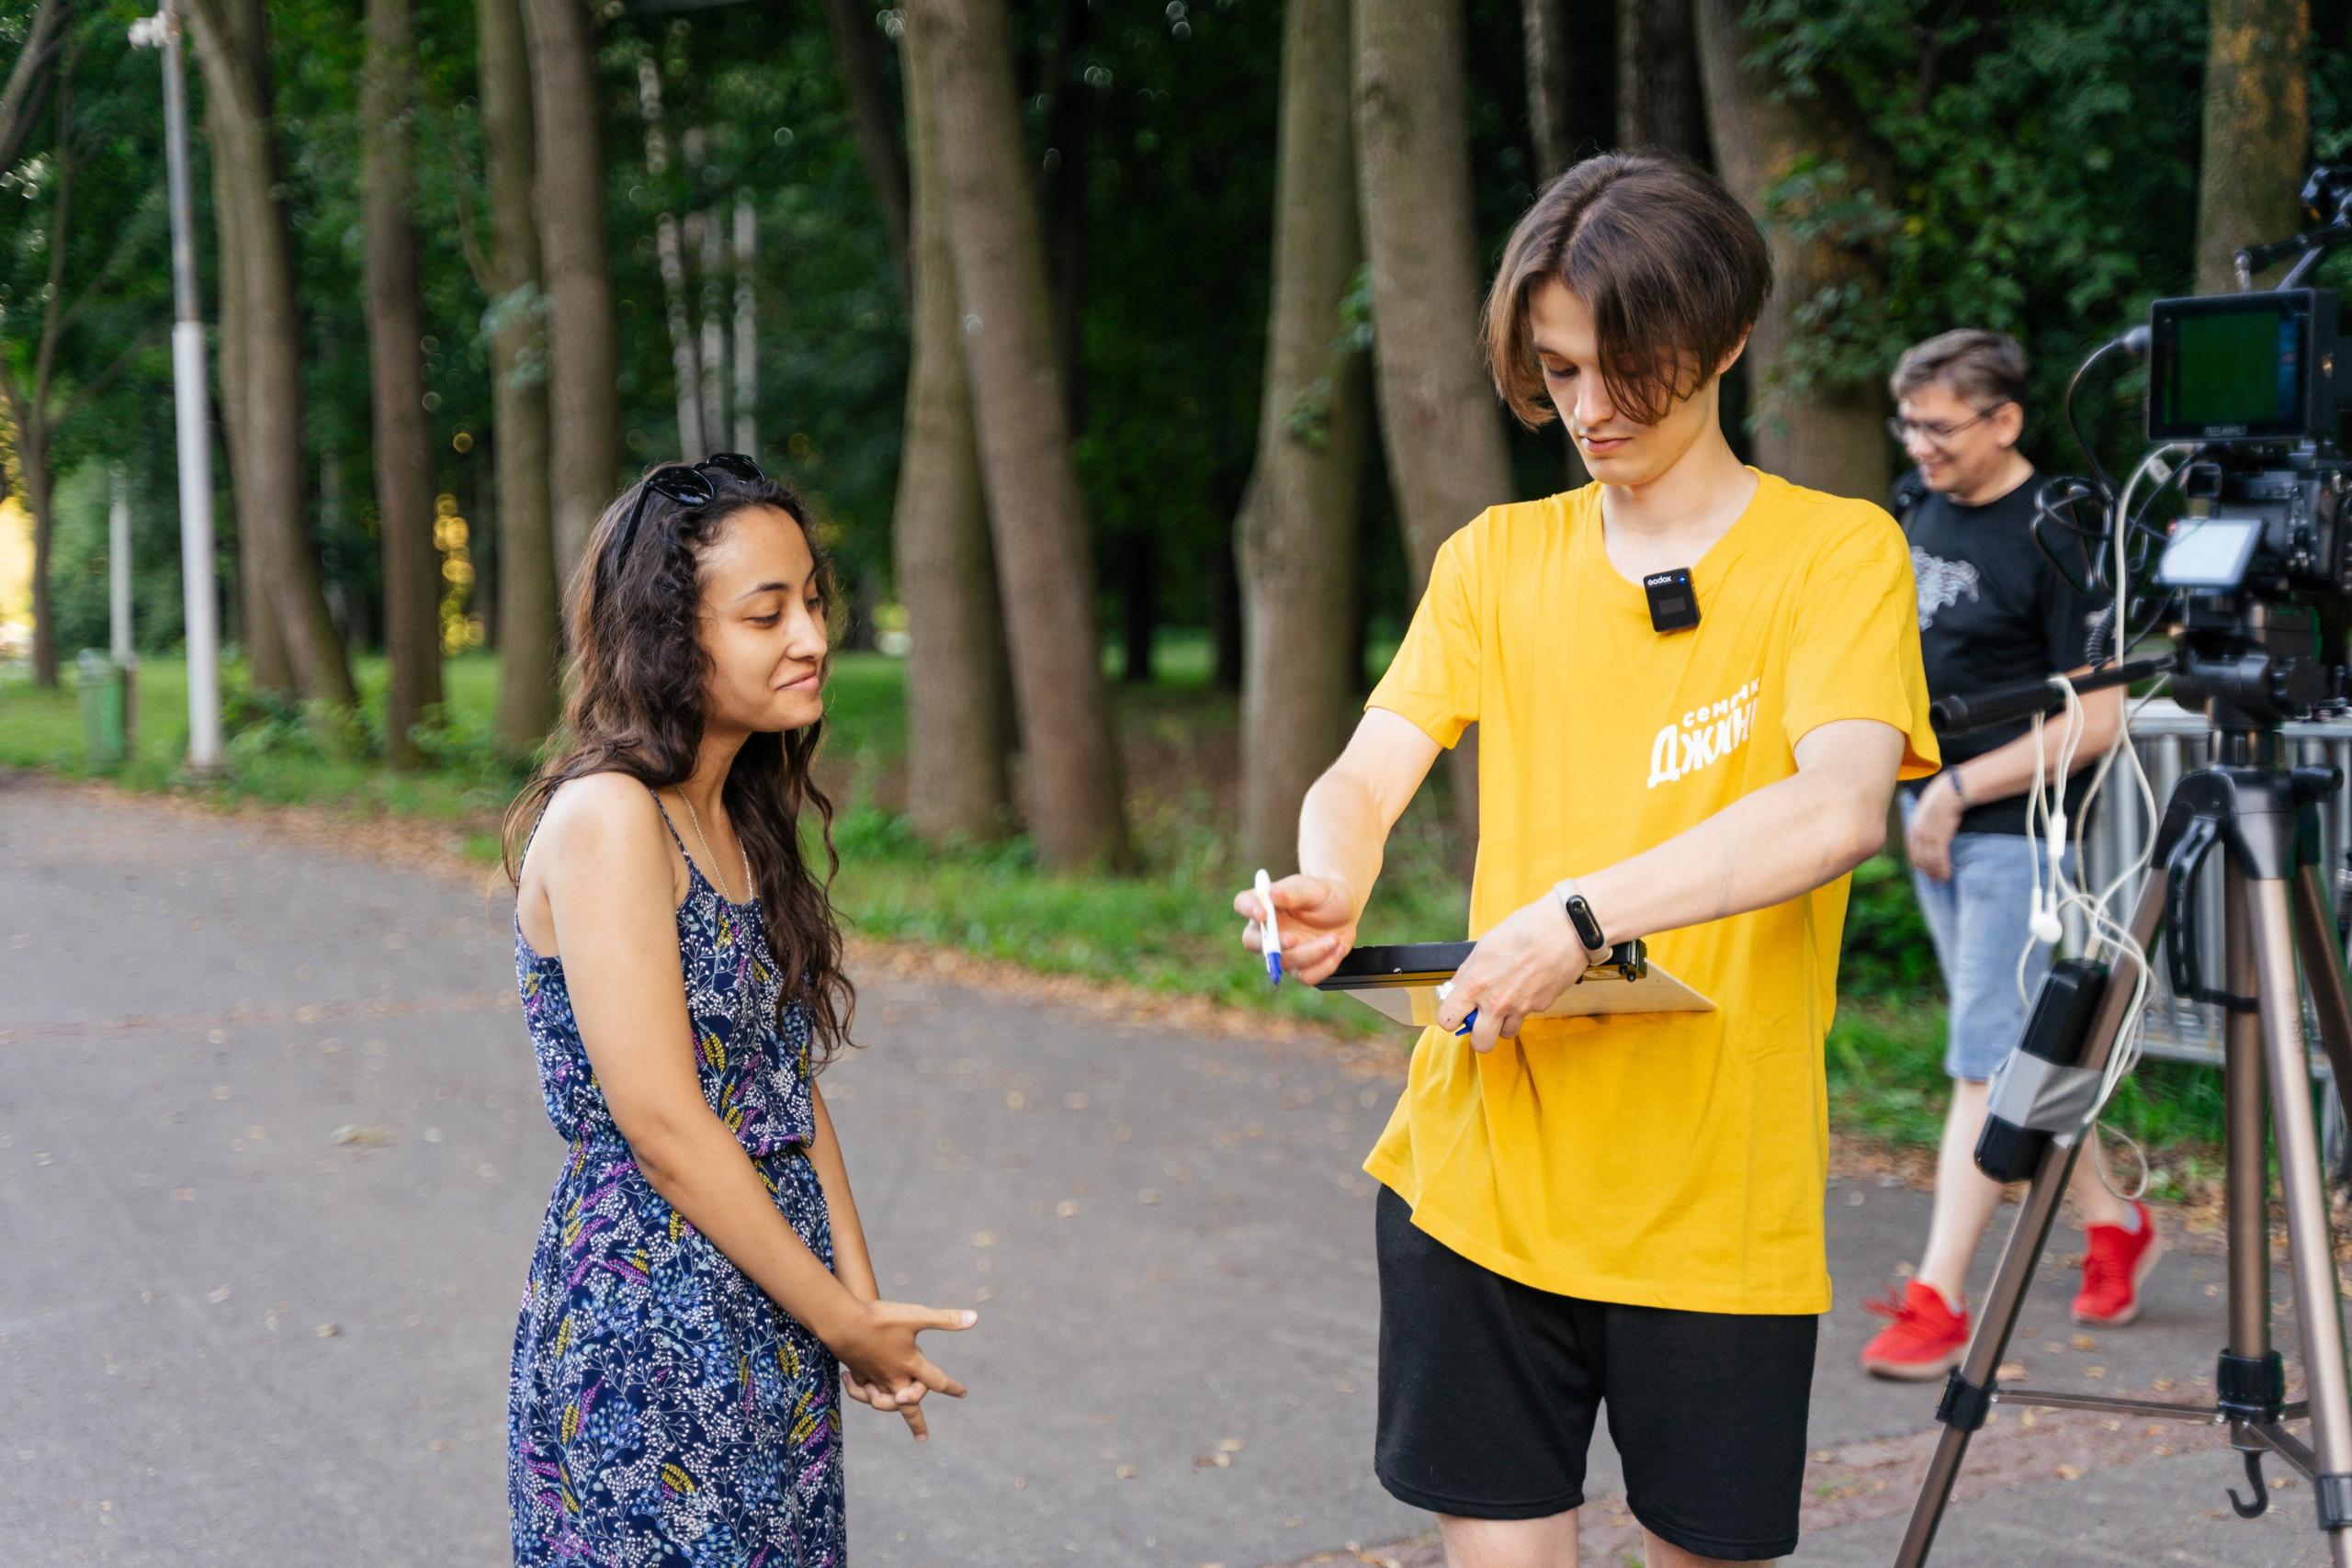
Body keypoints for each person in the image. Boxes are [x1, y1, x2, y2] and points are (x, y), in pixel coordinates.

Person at [1240, 153, 1938, 1568]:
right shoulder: (1497, 558)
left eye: (1635, 370)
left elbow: (1838, 807)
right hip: (1486, 1174)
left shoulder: (1838, 557)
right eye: (1559, 371)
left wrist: (1579, 914)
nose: (1593, 409)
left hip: (1718, 1198)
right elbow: (1370, 769)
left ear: (1728, 341)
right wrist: (1329, 871)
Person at [502, 457, 975, 1565]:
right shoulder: (610, 819)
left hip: (769, 1300)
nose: (810, 635)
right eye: (768, 613)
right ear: (668, 635)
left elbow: (783, 1086)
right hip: (649, 1330)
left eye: (812, 600)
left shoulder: (732, 819)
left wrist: (860, 1310)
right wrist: (833, 1314)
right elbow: (664, 1127)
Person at [1855, 330, 2155, 1382]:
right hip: (1938, 833)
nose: (1918, 445)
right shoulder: (1913, 504)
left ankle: (1937, 1299)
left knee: (1983, 1065)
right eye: (1909, 423)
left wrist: (1952, 788)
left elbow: (2102, 716)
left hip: (2019, 843)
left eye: (1938, 427)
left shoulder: (2063, 530)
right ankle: (2113, 1223)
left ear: (2004, 421)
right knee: (2022, 1049)